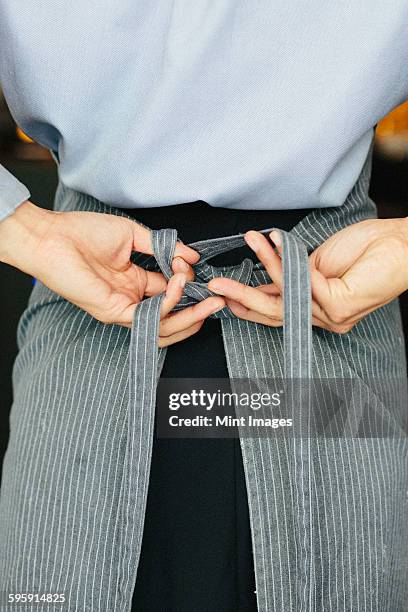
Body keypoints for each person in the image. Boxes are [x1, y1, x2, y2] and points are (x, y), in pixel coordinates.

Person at [0, 3, 407, 611]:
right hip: (99, 298)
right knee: (58, 592)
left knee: (344, 587)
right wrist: (21, 230)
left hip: (324, 303)